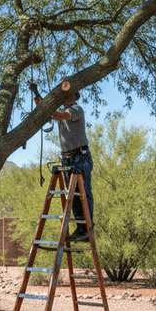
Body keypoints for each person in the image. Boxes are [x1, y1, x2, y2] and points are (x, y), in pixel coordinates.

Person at [29, 81, 93, 241]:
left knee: (83, 193)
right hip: (68, 158)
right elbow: (49, 111)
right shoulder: (62, 112)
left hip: (80, 156)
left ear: (73, 97)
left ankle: (87, 228)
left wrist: (49, 105)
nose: (65, 99)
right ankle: (80, 229)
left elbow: (56, 115)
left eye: (67, 96)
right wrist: (36, 93)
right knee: (74, 196)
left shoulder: (76, 110)